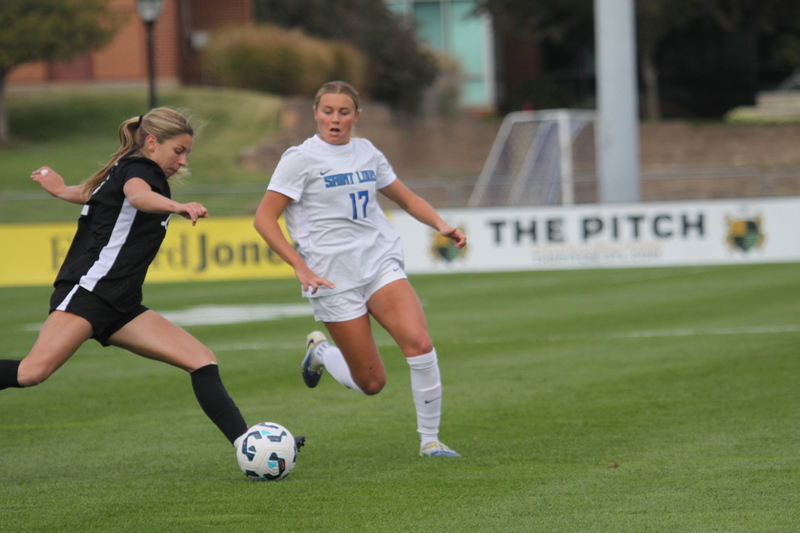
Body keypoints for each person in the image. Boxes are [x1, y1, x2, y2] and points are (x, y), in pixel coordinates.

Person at [0, 108, 258, 452]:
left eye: (186, 153)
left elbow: (97, 195)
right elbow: (137, 196)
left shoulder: (126, 171)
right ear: (151, 142)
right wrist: (176, 206)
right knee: (31, 372)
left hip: (120, 301)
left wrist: (62, 190)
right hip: (90, 291)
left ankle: (249, 448)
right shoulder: (140, 170)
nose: (182, 161)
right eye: (177, 151)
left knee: (201, 359)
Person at [253, 81, 466, 457]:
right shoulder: (300, 159)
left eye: (344, 112)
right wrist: (299, 267)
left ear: (356, 116)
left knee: (420, 344)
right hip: (331, 276)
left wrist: (441, 225)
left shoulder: (367, 152)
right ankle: (320, 353)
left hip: (378, 261)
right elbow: (264, 219)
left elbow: (407, 197)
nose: (335, 119)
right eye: (328, 111)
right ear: (316, 114)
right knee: (371, 382)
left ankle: (430, 441)